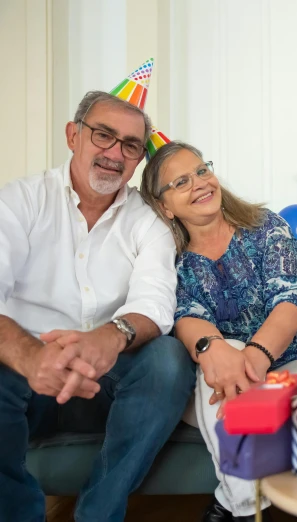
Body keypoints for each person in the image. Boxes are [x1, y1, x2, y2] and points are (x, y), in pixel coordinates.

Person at [0, 65, 196, 522]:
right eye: (103, 135)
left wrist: (108, 338)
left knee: (168, 359)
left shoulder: (149, 221)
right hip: (30, 378)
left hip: (113, 379)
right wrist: (30, 355)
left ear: (138, 159)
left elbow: (155, 302)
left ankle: (98, 513)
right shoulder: (19, 202)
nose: (114, 153)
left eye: (130, 145)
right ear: (73, 135)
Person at [140, 139, 297, 522]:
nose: (199, 183)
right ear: (164, 206)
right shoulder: (169, 259)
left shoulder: (266, 228)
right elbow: (186, 316)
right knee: (220, 353)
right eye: (180, 183)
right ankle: (249, 509)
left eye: (201, 170)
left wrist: (254, 361)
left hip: (293, 366)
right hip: (220, 382)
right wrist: (222, 353)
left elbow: (290, 301)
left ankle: (231, 504)